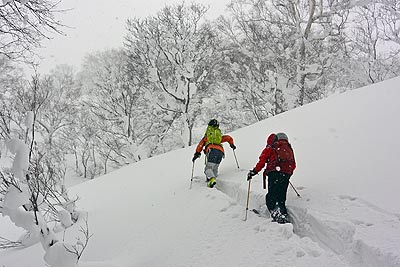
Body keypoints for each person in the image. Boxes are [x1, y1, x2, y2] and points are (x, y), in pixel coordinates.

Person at [247, 132, 296, 223]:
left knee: (272, 195)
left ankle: (276, 214)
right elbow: (293, 164)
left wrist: (254, 172)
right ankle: (282, 213)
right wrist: (286, 173)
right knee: (281, 196)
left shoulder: (271, 147)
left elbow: (262, 161)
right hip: (286, 174)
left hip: (274, 173)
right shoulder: (288, 148)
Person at [192, 119, 236, 188]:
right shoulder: (218, 137)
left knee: (208, 168)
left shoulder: (207, 137)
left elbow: (200, 146)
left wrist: (197, 154)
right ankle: (214, 181)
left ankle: (211, 179)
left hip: (212, 151)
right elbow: (228, 138)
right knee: (215, 168)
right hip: (221, 152)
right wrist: (232, 144)